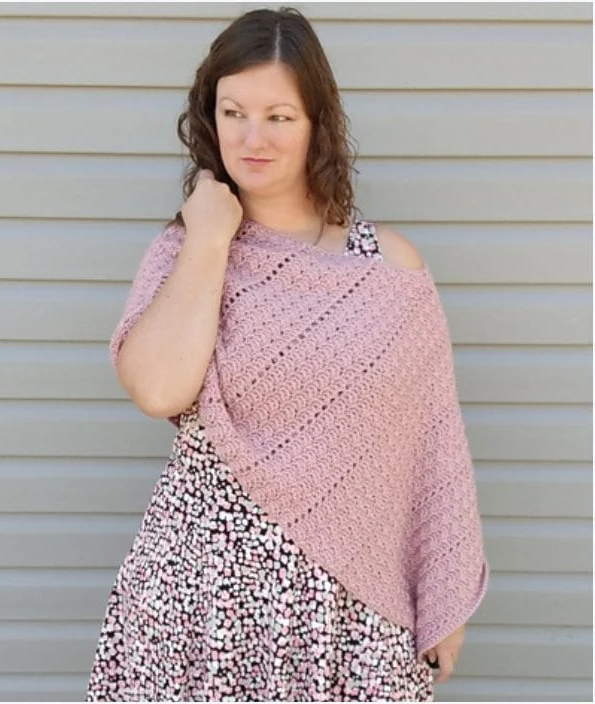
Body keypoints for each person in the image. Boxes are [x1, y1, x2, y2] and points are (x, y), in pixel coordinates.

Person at [87, 7, 487, 702]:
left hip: (346, 607)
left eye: (278, 117)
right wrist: (210, 237)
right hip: (199, 599)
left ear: (316, 125)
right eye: (232, 112)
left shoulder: (387, 266)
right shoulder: (182, 254)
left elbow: (431, 443)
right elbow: (156, 390)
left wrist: (442, 597)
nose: (252, 138)